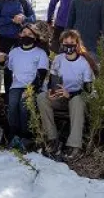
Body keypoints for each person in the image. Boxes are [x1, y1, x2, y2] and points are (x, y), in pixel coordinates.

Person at [36, 30, 94, 160]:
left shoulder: (83, 63)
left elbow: (88, 90)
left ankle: (74, 145)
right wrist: (51, 93)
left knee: (77, 100)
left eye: (72, 43)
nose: (69, 45)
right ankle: (52, 138)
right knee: (41, 98)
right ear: (62, 44)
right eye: (66, 43)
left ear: (77, 44)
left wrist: (71, 94)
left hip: (77, 98)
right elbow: (51, 80)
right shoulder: (58, 59)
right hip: (60, 96)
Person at [0, 23, 49, 150]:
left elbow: (41, 74)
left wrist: (32, 89)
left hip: (33, 86)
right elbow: (7, 71)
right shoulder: (14, 52)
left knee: (24, 105)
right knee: (12, 104)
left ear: (35, 37)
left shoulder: (40, 53)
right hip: (16, 85)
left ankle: (26, 136)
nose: (26, 36)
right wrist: (2, 61)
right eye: (24, 33)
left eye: (30, 34)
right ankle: (13, 135)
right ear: (20, 35)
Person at [0, 0, 36, 91]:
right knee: (6, 67)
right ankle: (8, 93)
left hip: (22, 39)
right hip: (5, 39)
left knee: (23, 66)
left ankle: (26, 91)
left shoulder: (23, 1)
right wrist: (11, 20)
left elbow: (33, 18)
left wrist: (23, 19)